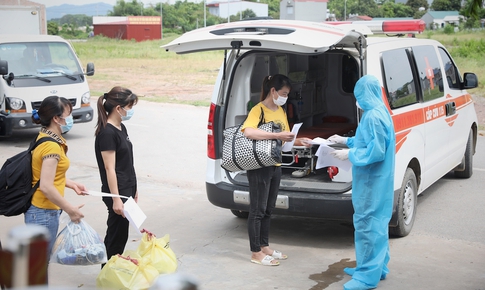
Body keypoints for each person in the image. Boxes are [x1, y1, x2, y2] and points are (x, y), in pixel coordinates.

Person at [328, 75, 396, 290]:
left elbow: (375, 151)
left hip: (371, 182)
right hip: (377, 181)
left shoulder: (374, 116)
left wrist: (350, 154)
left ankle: (367, 277)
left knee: (368, 226)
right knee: (377, 225)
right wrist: (345, 140)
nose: (357, 101)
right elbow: (367, 140)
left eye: (358, 96)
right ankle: (377, 267)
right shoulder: (378, 111)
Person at [241, 74, 312, 266]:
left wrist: (298, 141)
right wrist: (276, 134)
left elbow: (283, 138)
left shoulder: (280, 110)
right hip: (259, 166)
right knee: (257, 209)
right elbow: (248, 131)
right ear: (273, 91)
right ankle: (255, 252)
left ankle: (264, 246)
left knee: (268, 209)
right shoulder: (258, 110)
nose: (285, 97)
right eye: (283, 93)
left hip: (276, 164)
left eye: (287, 94)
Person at [27, 96, 86, 257]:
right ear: (56, 118)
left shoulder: (45, 137)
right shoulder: (51, 146)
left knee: (38, 264)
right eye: (68, 114)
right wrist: (70, 209)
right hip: (43, 212)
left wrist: (71, 183)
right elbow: (45, 186)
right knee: (38, 266)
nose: (70, 118)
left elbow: (45, 175)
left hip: (41, 211)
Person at [94, 86, 139, 267]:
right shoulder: (107, 133)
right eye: (129, 106)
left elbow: (128, 162)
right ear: (118, 108)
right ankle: (108, 270)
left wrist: (134, 189)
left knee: (121, 234)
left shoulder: (121, 127)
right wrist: (116, 199)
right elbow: (109, 168)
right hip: (116, 193)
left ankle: (112, 269)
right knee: (116, 235)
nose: (131, 110)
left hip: (126, 190)